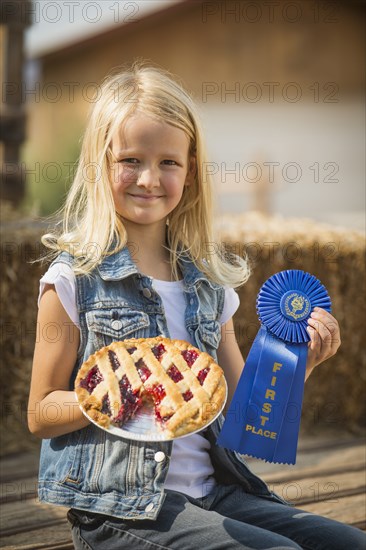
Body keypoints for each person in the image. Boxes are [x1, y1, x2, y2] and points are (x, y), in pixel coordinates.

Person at [28, 63, 365, 550]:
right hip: (122, 508)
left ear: (189, 174)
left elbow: (240, 410)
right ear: (100, 164)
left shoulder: (208, 284)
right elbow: (40, 412)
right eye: (130, 160)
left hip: (218, 493)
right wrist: (110, 397)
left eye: (169, 162)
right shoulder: (72, 280)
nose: (149, 178)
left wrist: (298, 369)